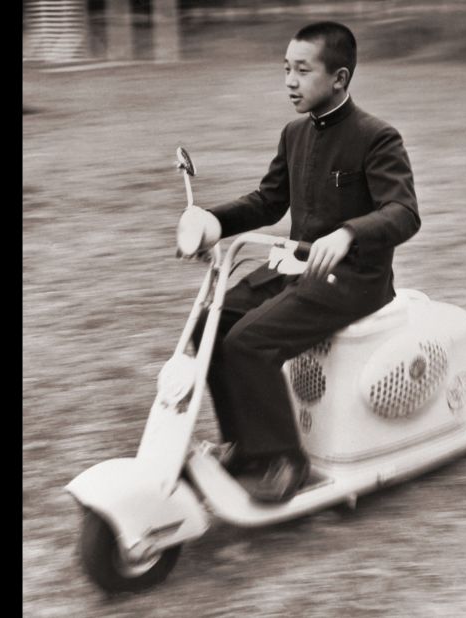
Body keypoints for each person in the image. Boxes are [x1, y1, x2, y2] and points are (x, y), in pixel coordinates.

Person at [177, 21, 420, 503]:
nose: (290, 80)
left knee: (248, 341)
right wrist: (211, 221)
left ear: (340, 78)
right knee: (208, 326)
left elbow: (404, 212)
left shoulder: (376, 137)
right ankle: (247, 447)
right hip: (294, 266)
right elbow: (268, 202)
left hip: (354, 279)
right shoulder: (294, 134)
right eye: (286, 68)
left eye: (303, 70)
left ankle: (286, 461)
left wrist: (351, 232)